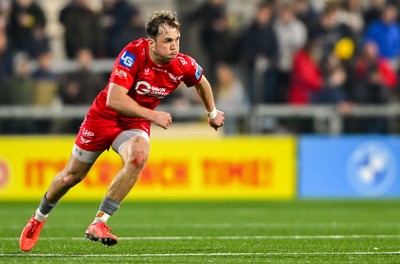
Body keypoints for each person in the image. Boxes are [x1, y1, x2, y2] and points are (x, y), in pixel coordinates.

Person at [19, 10, 224, 251]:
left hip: (133, 123)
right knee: (71, 177)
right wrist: (153, 115)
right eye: (168, 40)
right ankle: (37, 219)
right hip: (103, 118)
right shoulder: (133, 54)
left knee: (138, 156)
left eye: (177, 39)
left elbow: (202, 82)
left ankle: (99, 222)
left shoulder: (183, 64)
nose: (174, 46)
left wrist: (212, 113)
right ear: (152, 43)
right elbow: (114, 99)